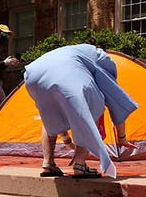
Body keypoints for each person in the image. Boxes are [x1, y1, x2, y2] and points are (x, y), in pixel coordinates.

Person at [22, 44, 138, 179]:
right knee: (91, 107)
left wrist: (66, 138)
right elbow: (116, 102)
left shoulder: (77, 51)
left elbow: (54, 121)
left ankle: (48, 164)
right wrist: (121, 138)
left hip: (33, 75)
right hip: (67, 71)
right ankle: (80, 165)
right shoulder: (103, 59)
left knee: (50, 115)